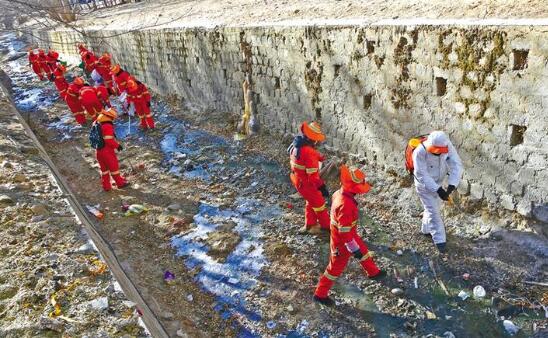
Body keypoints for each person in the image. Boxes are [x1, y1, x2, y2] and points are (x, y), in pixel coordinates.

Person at [313, 165, 385, 305]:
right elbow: (344, 231)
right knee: (334, 268)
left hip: (348, 234)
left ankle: (373, 272)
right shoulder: (346, 205)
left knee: (363, 250)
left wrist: (356, 246)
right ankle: (320, 294)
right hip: (342, 241)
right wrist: (353, 248)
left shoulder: (338, 193)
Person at [412, 130, 463, 252]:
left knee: (431, 208)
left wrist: (452, 185)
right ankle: (440, 241)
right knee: (434, 212)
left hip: (439, 182)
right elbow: (422, 175)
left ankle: (426, 229)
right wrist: (438, 190)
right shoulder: (420, 152)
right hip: (423, 186)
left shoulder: (447, 145)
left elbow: (456, 164)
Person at [287, 121, 330, 234]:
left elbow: (305, 156)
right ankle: (327, 228)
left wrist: (320, 157)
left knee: (310, 201)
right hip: (306, 183)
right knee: (319, 204)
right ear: (313, 140)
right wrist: (322, 187)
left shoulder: (295, 145)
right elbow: (313, 177)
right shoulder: (309, 152)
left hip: (297, 180)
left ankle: (309, 225)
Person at [93, 108, 128, 191]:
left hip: (98, 150)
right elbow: (108, 140)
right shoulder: (107, 126)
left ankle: (106, 186)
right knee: (114, 168)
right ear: (109, 117)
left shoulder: (96, 123)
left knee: (104, 170)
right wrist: (117, 146)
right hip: (107, 151)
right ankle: (120, 183)